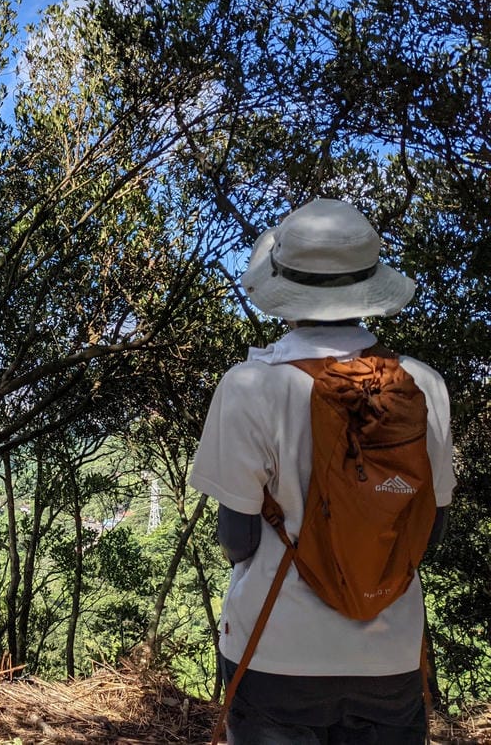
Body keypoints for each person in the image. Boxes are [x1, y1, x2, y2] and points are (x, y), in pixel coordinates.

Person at [191, 198, 455, 744]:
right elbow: (431, 529)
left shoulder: (249, 385)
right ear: (368, 287)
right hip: (391, 652)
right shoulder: (423, 385)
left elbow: (236, 538)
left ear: (285, 290)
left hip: (276, 652)